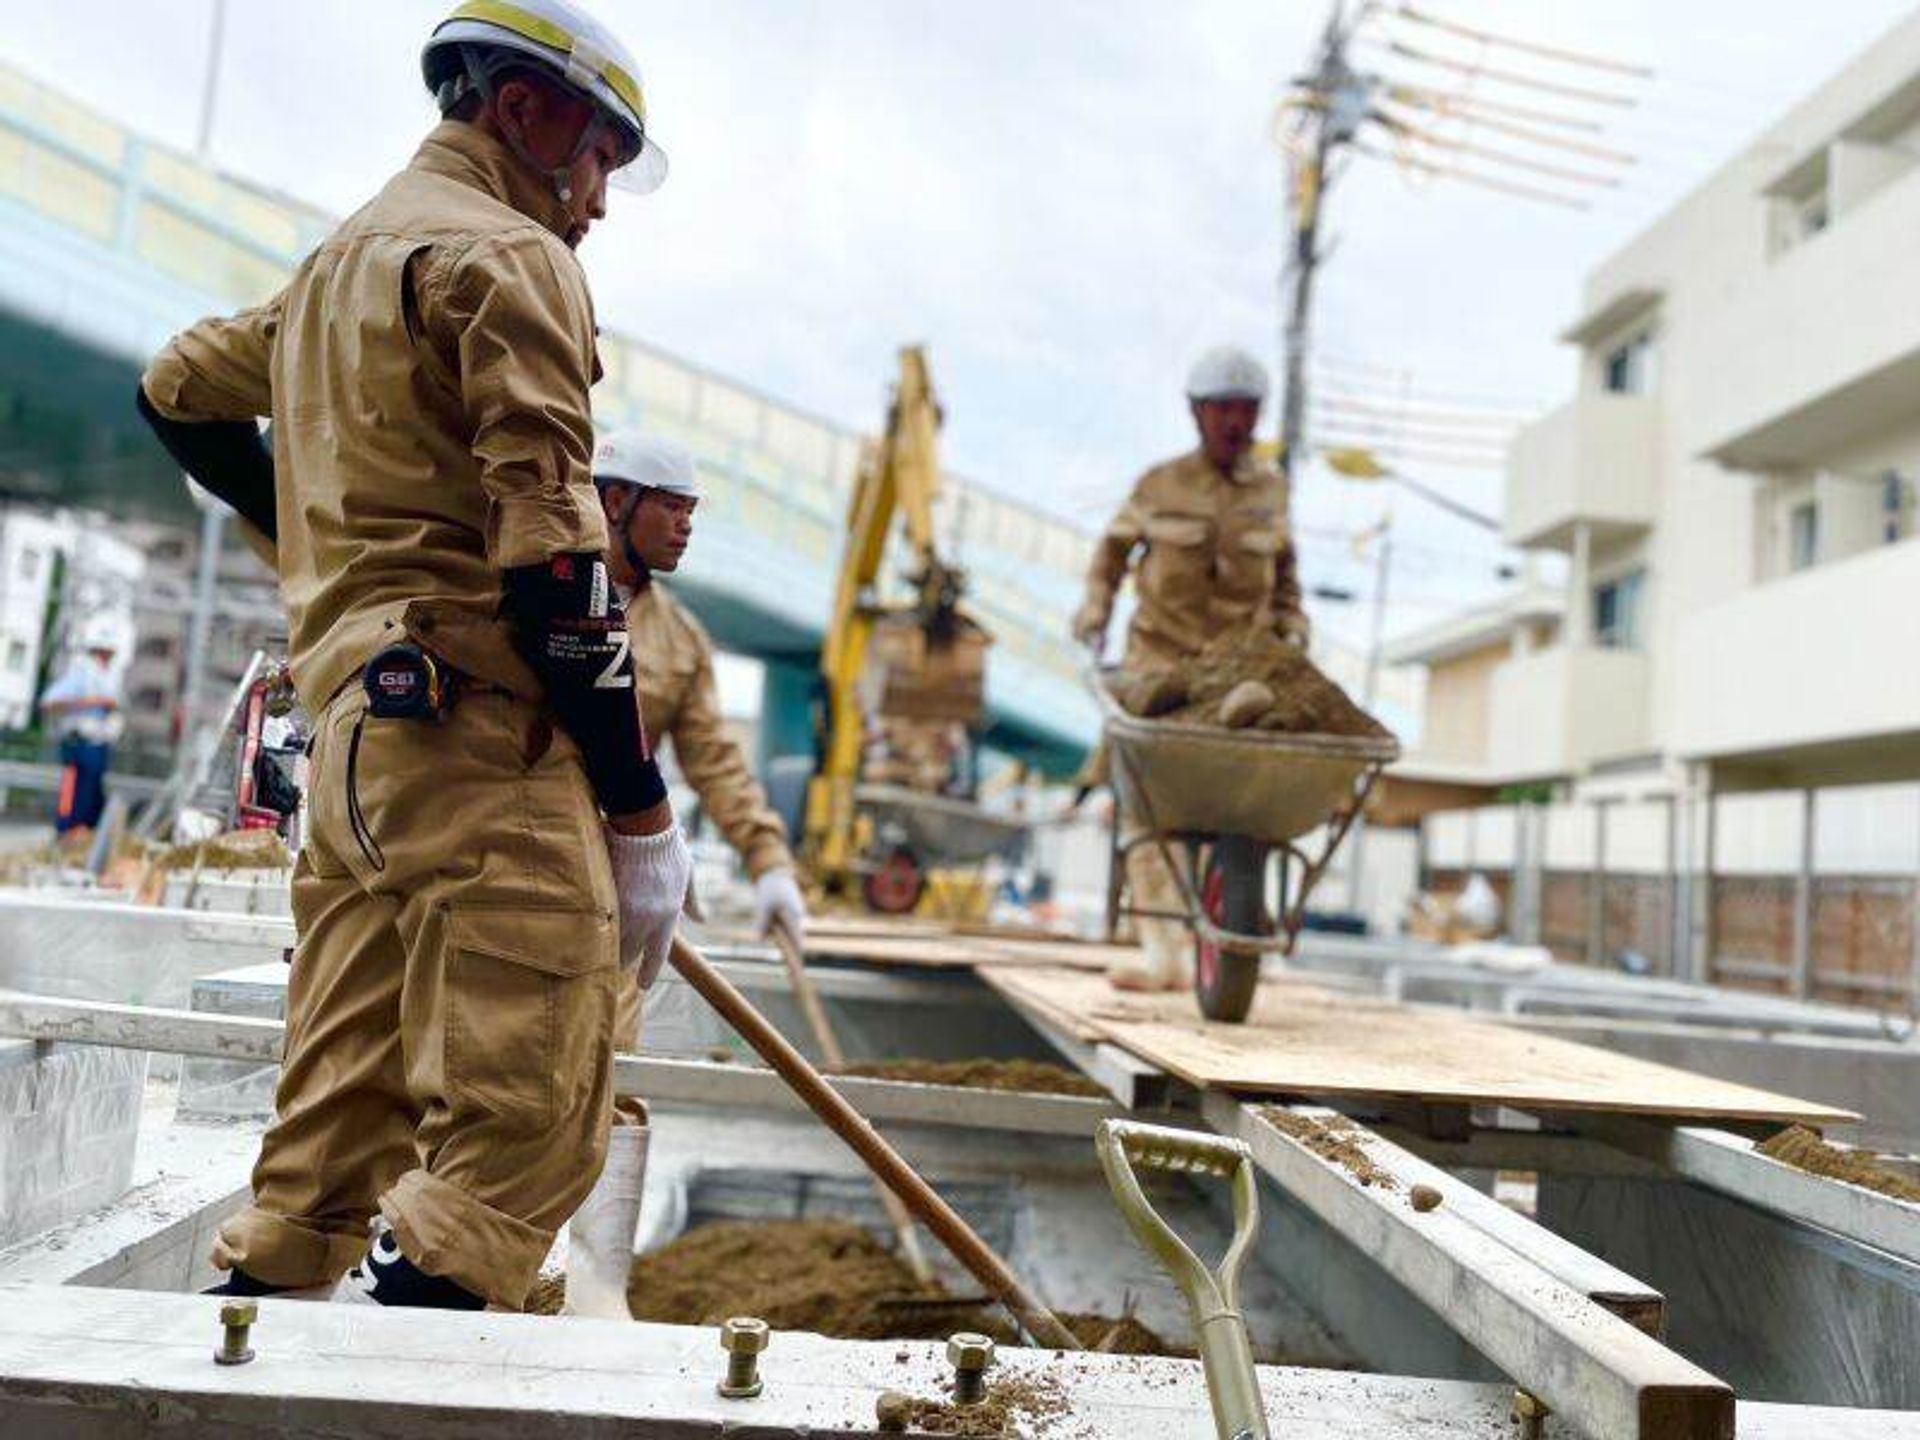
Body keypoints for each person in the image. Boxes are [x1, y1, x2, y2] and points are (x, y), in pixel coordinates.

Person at [134, 0, 690, 1313]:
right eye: (602, 154)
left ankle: (242, 1357)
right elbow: (555, 569)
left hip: (354, 763)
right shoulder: (514, 259)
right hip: (480, 750)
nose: (602, 198)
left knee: (330, 1134)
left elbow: (173, 387)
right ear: (522, 110)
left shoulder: (341, 265)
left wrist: (309, 544)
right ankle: (407, 1349)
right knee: (526, 1123)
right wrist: (638, 811)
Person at [559, 429, 809, 1317]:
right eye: (674, 507)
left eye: (696, 512)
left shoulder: (681, 640)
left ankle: (587, 1282)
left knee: (595, 1086)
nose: (687, 527)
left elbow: (718, 765)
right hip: (510, 871)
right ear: (616, 501)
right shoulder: (535, 582)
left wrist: (769, 862)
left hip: (610, 901)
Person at [1072, 346, 1308, 992]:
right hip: (1160, 664)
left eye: (1247, 411)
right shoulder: (1159, 485)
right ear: (1197, 413)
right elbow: (1109, 558)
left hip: (1239, 671)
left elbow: (1286, 580)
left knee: (1249, 792)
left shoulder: (1271, 493)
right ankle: (1162, 951)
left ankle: (1233, 920)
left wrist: (1294, 628)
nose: (1236, 423)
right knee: (1147, 800)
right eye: (1223, 410)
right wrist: (1095, 608)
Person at [38, 626, 123, 844]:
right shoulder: (81, 672)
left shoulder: (107, 676)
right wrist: (91, 702)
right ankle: (66, 833)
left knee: (93, 793)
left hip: (98, 743)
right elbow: (49, 702)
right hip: (79, 742)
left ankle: (83, 834)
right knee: (75, 792)